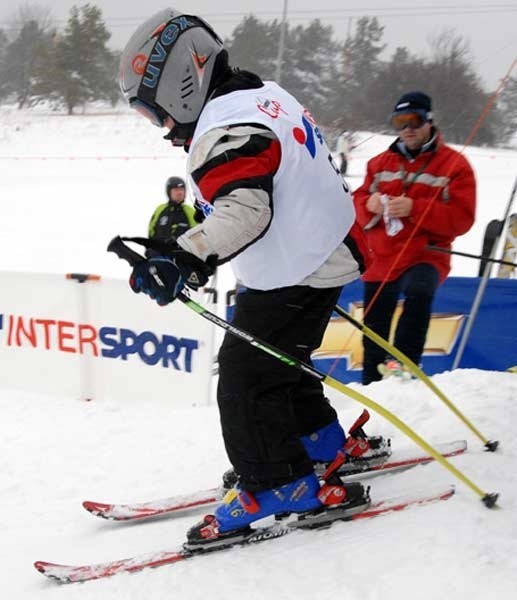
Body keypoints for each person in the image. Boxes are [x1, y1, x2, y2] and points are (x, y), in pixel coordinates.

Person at [118, 8, 386, 547]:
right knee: (280, 363)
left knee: (245, 378)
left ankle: (277, 484)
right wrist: (184, 245)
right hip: (319, 253)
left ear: (182, 87)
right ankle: (322, 443)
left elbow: (246, 210)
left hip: (298, 267)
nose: (165, 130)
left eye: (158, 114)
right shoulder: (261, 94)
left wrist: (182, 257)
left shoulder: (226, 126)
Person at [352, 91, 476, 385]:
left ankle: (404, 366)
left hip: (425, 255)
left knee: (420, 292)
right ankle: (373, 383)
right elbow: (357, 201)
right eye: (400, 121)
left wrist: (414, 209)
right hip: (382, 257)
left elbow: (462, 218)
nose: (407, 128)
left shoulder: (455, 165)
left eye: (415, 120)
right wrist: (367, 206)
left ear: (429, 122)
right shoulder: (378, 163)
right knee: (374, 325)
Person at [148, 176, 197, 241]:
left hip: (180, 250)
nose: (179, 193)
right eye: (176, 190)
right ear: (169, 192)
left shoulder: (189, 211)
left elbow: (197, 234)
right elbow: (151, 232)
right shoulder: (160, 209)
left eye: (182, 190)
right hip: (159, 249)